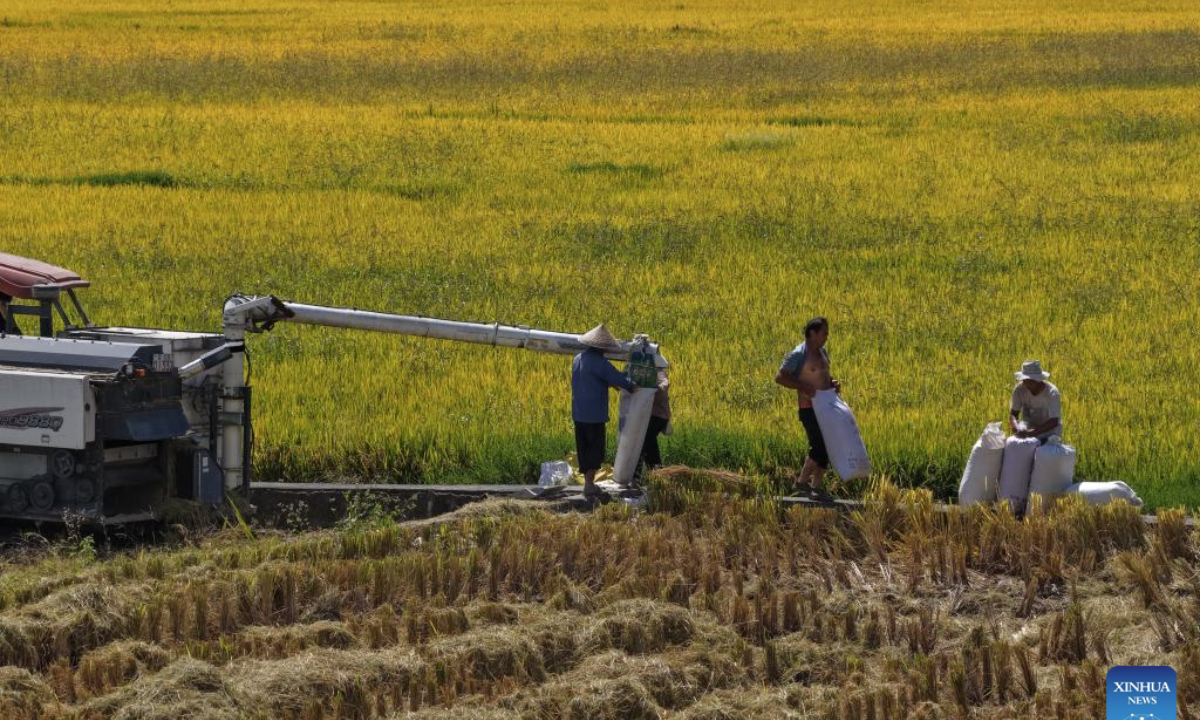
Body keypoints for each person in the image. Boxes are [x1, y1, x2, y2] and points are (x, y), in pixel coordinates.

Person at [774, 317, 840, 498]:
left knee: (826, 447)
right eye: (824, 333)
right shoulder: (798, 354)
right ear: (813, 333)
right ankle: (802, 483)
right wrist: (802, 387)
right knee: (818, 446)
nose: (827, 336)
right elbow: (780, 377)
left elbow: (822, 375)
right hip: (809, 409)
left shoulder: (822, 352)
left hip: (827, 406)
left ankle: (816, 488)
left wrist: (832, 383)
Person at [572, 324, 636, 499]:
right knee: (595, 450)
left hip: (578, 413)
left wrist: (607, 383)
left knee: (583, 449)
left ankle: (588, 484)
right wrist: (633, 386)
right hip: (594, 415)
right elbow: (620, 379)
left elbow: (588, 380)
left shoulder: (578, 358)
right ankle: (589, 486)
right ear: (602, 347)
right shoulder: (600, 363)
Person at [1001, 360, 1063, 513]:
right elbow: (1013, 414)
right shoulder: (1019, 390)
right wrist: (1016, 427)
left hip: (1048, 433)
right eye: (1025, 380)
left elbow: (1054, 421)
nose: (1027, 383)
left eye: (1030, 380)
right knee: (1019, 462)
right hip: (1027, 430)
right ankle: (1016, 502)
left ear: (1038, 379)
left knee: (1042, 463)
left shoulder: (1052, 393)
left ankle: (1039, 506)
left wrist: (1033, 434)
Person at [638, 353, 672, 477]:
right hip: (652, 416)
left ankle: (653, 472)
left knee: (645, 442)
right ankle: (655, 473)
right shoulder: (645, 373)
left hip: (658, 416)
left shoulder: (658, 372)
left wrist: (656, 388)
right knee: (647, 444)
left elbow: (665, 383)